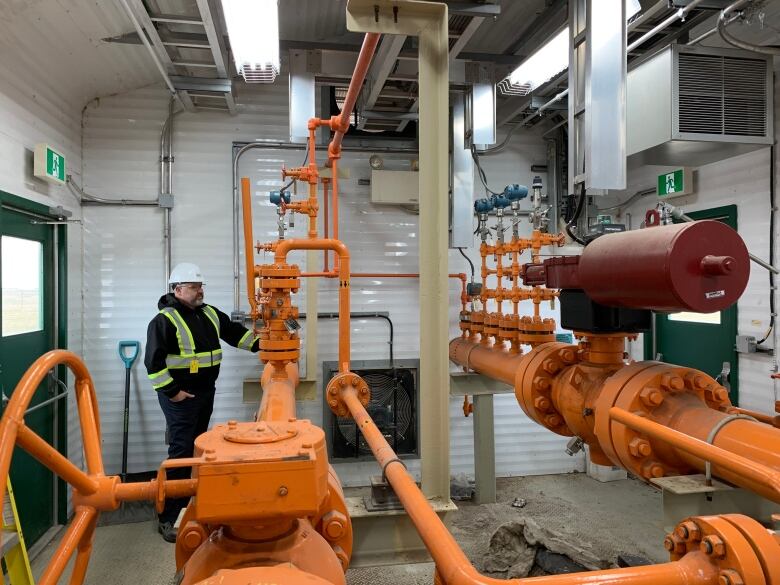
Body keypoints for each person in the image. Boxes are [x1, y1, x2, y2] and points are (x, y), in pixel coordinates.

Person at [145, 262, 260, 542]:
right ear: (177, 289)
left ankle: (191, 503)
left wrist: (264, 344)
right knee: (182, 452)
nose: (200, 291)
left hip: (205, 392)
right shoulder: (164, 320)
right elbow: (154, 363)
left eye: (201, 286)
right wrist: (173, 392)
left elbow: (235, 334)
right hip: (180, 398)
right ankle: (169, 516)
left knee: (197, 448)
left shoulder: (208, 313)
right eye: (195, 287)